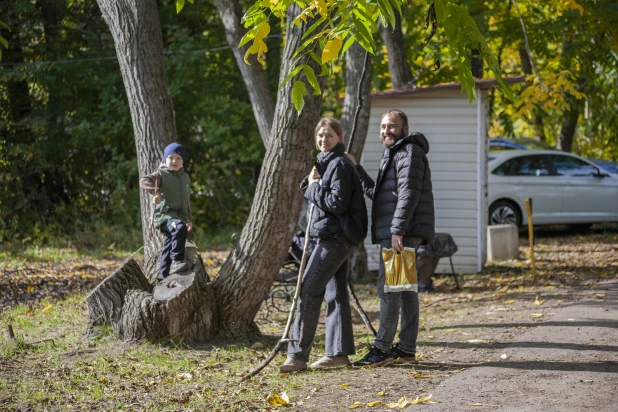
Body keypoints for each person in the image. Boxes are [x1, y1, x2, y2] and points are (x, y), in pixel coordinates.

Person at [346, 109, 435, 365]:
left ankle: (381, 349)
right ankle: (406, 348)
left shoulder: (409, 152)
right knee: (405, 290)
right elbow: (380, 194)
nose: (386, 130)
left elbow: (409, 193)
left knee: (389, 290)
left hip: (402, 234)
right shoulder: (394, 154)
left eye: (392, 126)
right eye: (383, 126)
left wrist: (398, 229)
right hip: (402, 232)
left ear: (405, 129)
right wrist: (357, 169)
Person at [280, 118, 368, 372]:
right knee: (335, 292)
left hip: (336, 238)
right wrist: (310, 184)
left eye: (329, 135)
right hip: (333, 236)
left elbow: (336, 203)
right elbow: (319, 193)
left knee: (308, 289)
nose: (323, 140)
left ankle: (297, 356)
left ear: (340, 138)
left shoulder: (339, 164)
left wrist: (313, 187)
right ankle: (338, 353)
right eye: (320, 135)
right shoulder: (327, 163)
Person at [140, 142, 193, 282]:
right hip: (166, 216)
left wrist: (189, 218)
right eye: (171, 158)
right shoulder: (161, 174)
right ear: (165, 159)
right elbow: (143, 181)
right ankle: (177, 260)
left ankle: (162, 277)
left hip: (180, 216)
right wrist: (155, 192)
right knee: (178, 228)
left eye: (178, 158)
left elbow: (187, 199)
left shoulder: (185, 178)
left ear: (182, 161)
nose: (174, 161)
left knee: (169, 245)